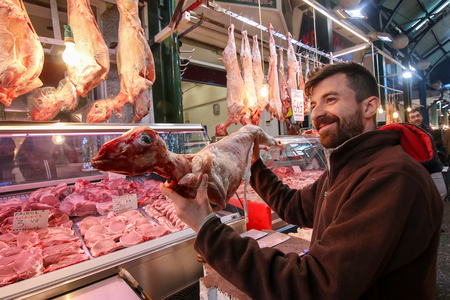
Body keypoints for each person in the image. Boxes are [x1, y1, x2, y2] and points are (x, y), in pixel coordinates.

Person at [160, 62, 444, 299]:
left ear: (369, 107)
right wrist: (254, 164)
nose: (317, 112)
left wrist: (207, 227)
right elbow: (295, 206)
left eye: (331, 99)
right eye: (314, 103)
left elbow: (316, 287)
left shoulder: (390, 177)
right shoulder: (350, 165)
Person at [407, 108, 447, 201]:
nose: (416, 118)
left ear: (422, 117)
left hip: (432, 164)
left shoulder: (429, 130)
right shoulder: (407, 132)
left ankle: (431, 208)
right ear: (409, 120)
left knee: (441, 191)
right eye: (413, 117)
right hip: (416, 165)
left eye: (418, 116)